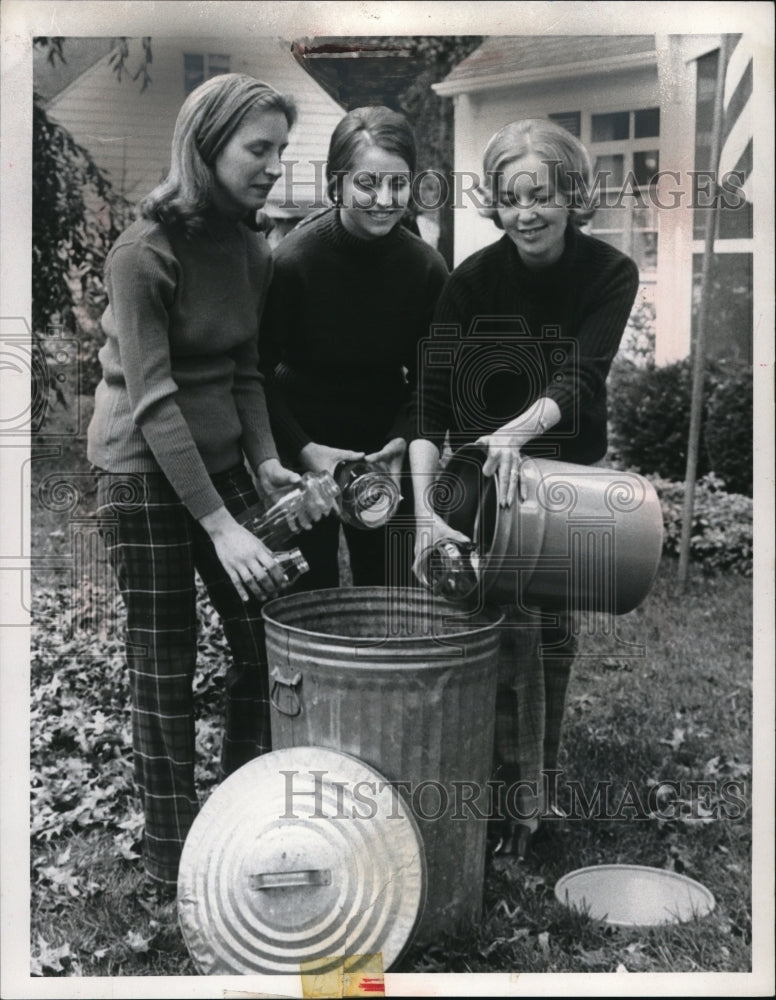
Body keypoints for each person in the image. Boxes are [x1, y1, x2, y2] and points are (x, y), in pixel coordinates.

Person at [88, 74, 305, 893]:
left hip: (217, 466)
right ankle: (172, 851)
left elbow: (244, 369)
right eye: (259, 149)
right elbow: (152, 401)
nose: (274, 166)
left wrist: (264, 459)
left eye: (281, 149)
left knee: (268, 639)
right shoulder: (142, 253)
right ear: (206, 147)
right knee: (164, 656)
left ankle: (239, 813)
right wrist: (222, 525)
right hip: (140, 473)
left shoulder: (252, 251)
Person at [409, 118, 639, 856]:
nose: (525, 214)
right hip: (482, 478)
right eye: (510, 199)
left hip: (567, 479)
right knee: (491, 636)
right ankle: (487, 801)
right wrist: (425, 512)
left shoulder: (610, 273)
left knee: (551, 639)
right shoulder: (471, 282)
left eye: (540, 196)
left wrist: (516, 432)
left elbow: (582, 375)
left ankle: (532, 800)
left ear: (572, 194)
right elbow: (429, 406)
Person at [259, 105, 449, 590]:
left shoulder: (427, 269)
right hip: (301, 445)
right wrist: (303, 449)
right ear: (337, 183)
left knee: (392, 595)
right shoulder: (293, 262)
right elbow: (255, 372)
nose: (384, 199)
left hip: (384, 448)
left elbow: (430, 382)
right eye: (367, 183)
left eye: (398, 184)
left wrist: (403, 438)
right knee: (306, 597)